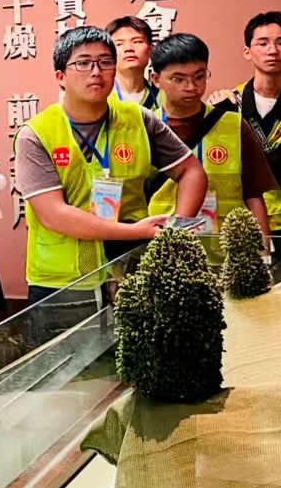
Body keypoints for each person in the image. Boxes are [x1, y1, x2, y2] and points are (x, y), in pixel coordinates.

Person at [14, 26, 206, 333]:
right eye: (83, 63)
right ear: (60, 76)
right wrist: (135, 231)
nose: (96, 71)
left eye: (105, 62)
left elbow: (192, 171)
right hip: (63, 285)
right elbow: (53, 215)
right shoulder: (36, 133)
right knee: (69, 365)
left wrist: (175, 232)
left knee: (138, 356)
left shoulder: (137, 118)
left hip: (133, 271)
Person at [147, 33, 273, 256]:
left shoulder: (233, 125)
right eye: (178, 79)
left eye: (199, 76)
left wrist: (264, 256)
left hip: (230, 255)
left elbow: (254, 196)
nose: (191, 86)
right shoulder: (145, 128)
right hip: (166, 255)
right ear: (156, 79)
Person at [223, 11, 281, 235]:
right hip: (243, 222)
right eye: (263, 43)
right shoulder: (227, 104)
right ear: (247, 52)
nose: (272, 50)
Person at [106, 15, 159, 108]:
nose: (128, 48)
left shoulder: (165, 95)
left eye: (137, 41)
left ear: (150, 50)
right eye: (119, 44)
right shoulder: (100, 96)